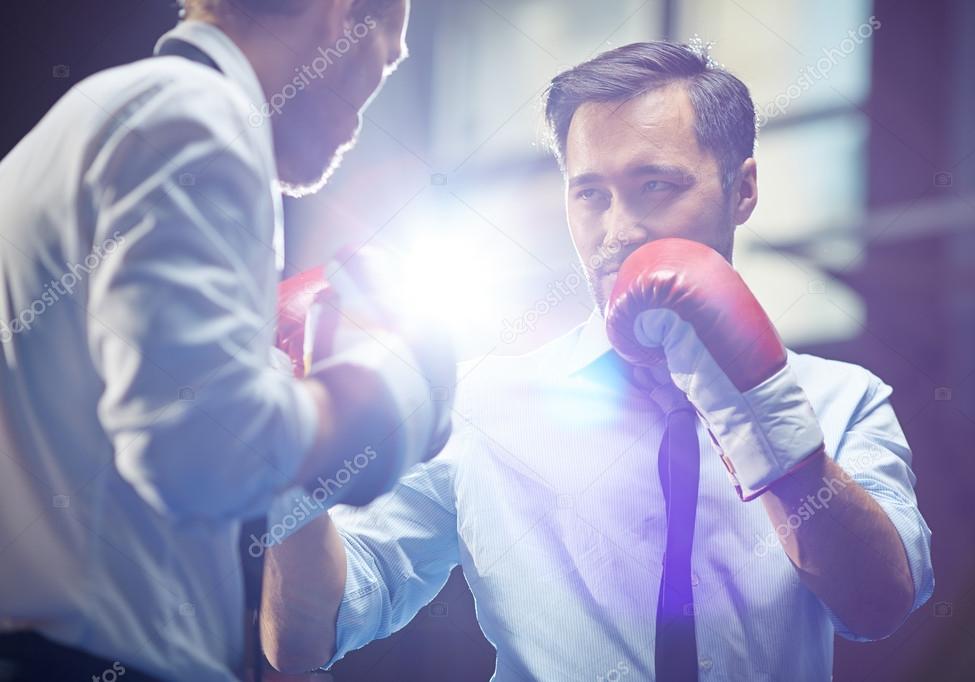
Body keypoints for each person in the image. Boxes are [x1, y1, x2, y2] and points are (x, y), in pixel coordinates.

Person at [263, 42, 935, 681]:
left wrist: (761, 405)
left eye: (656, 185)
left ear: (743, 189)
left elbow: (876, 606)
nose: (618, 234)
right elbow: (305, 638)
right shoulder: (481, 405)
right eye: (590, 194)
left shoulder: (843, 399)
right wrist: (295, 444)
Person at [0, 1, 448, 680]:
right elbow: (196, 449)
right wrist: (390, 388)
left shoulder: (82, 120)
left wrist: (271, 378)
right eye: (377, 68)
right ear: (340, 16)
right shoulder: (198, 119)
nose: (361, 120)